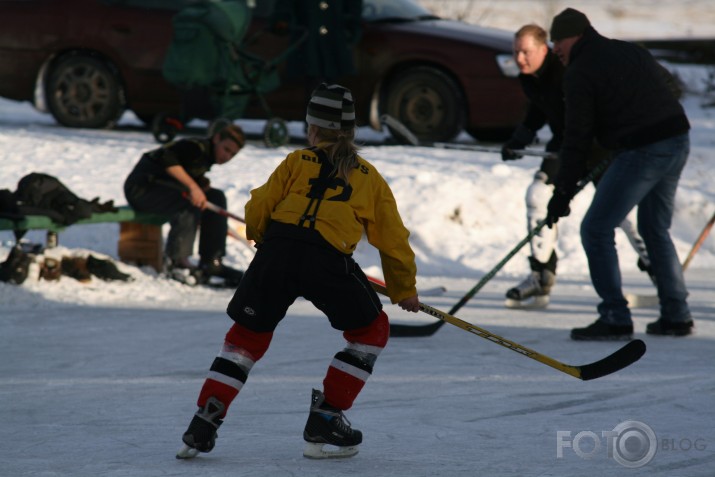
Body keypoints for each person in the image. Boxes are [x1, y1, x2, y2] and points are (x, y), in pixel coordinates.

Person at [177, 84, 419, 460]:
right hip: (327, 260)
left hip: (276, 253)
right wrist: (404, 289)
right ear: (351, 132)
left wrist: (262, 239)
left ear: (312, 129)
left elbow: (260, 205)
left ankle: (204, 420)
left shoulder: (296, 161)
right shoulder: (368, 177)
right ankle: (326, 417)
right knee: (371, 331)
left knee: (245, 339)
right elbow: (393, 240)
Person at [545, 8, 694, 339]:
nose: (555, 48)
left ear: (576, 36)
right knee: (654, 228)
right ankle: (676, 316)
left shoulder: (580, 71)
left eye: (558, 40)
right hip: (677, 140)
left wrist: (562, 191)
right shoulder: (628, 49)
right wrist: (630, 117)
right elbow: (670, 88)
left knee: (596, 229)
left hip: (644, 150)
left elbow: (577, 136)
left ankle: (615, 316)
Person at [501, 24, 653, 308]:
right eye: (516, 51)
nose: (520, 58)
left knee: (622, 212)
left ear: (544, 48)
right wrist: (520, 137)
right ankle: (540, 275)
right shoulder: (530, 76)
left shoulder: (566, 70)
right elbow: (539, 107)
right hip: (564, 146)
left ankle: (657, 270)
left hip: (597, 146)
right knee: (537, 195)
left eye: (526, 51)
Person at [124, 124, 246, 287]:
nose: (227, 156)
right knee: (189, 203)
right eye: (226, 149)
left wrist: (199, 185)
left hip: (164, 190)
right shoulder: (195, 147)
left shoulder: (206, 157)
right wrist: (193, 187)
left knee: (215, 196)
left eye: (232, 154)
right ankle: (177, 262)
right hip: (142, 190)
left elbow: (187, 172)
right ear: (217, 138)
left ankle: (211, 262)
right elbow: (166, 158)